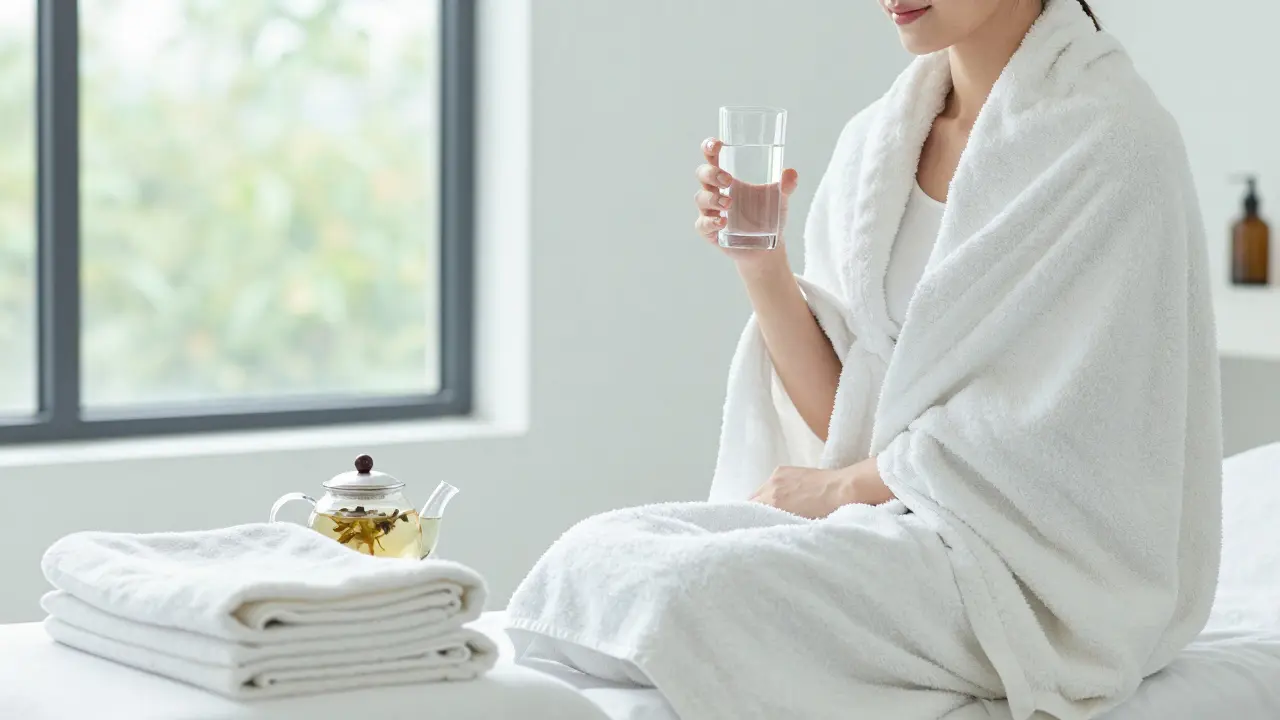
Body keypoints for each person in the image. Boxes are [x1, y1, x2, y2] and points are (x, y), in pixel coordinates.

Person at [509, 2, 1221, 718]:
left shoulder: (1114, 142)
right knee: (590, 558)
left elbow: (1075, 446)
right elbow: (857, 418)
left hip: (1026, 577)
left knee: (683, 594)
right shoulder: (878, 142)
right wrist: (762, 267)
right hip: (891, 533)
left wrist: (840, 490)